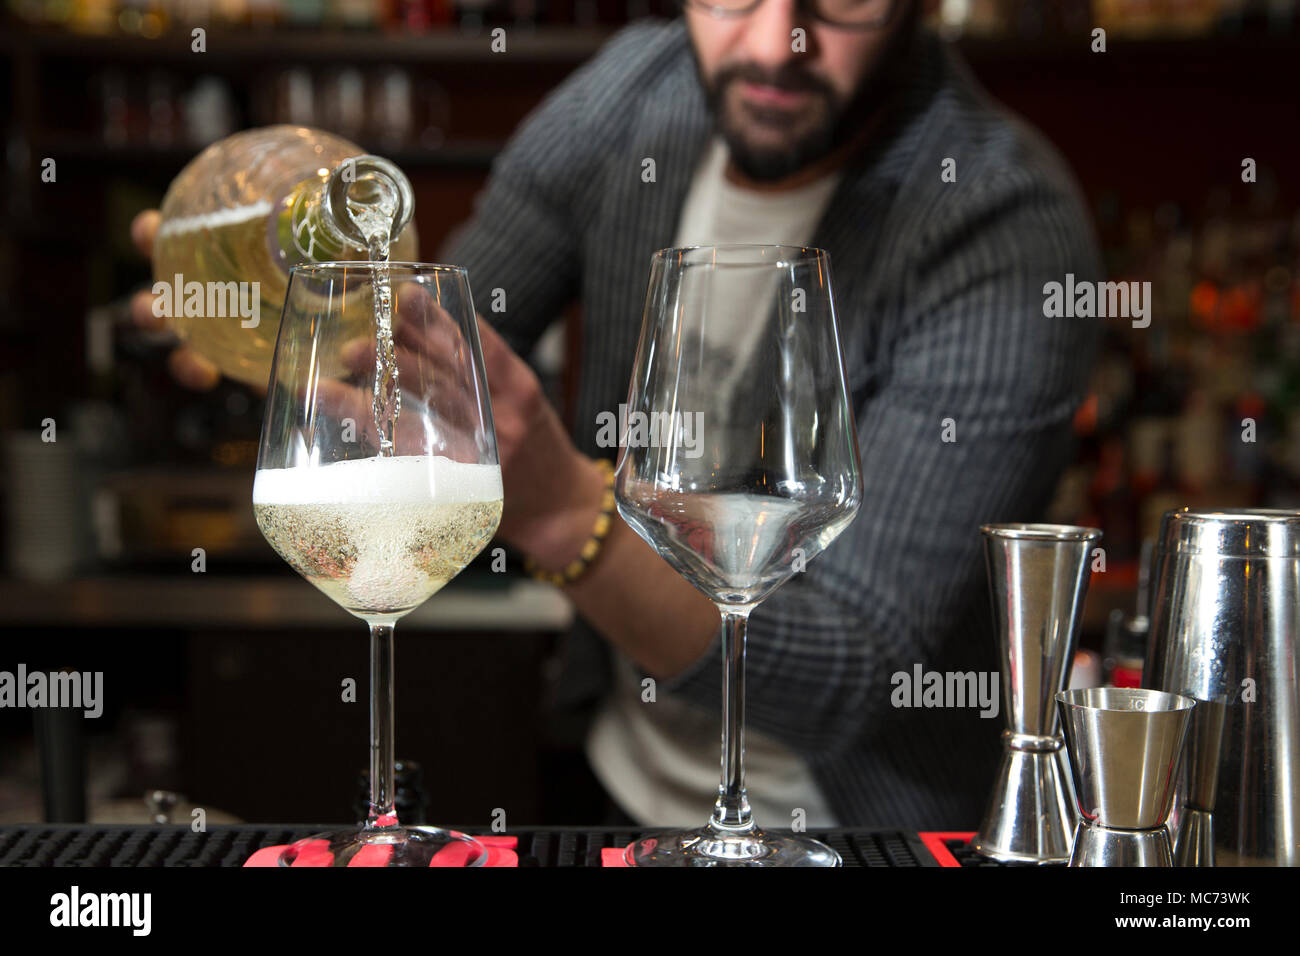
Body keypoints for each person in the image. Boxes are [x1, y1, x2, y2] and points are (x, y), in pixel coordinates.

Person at [132, 0, 1101, 829]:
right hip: (618, 787)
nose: (774, 44)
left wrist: (560, 508)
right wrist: (273, 312)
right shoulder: (635, 95)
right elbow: (410, 347)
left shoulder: (1000, 225)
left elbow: (851, 669)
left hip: (864, 823)